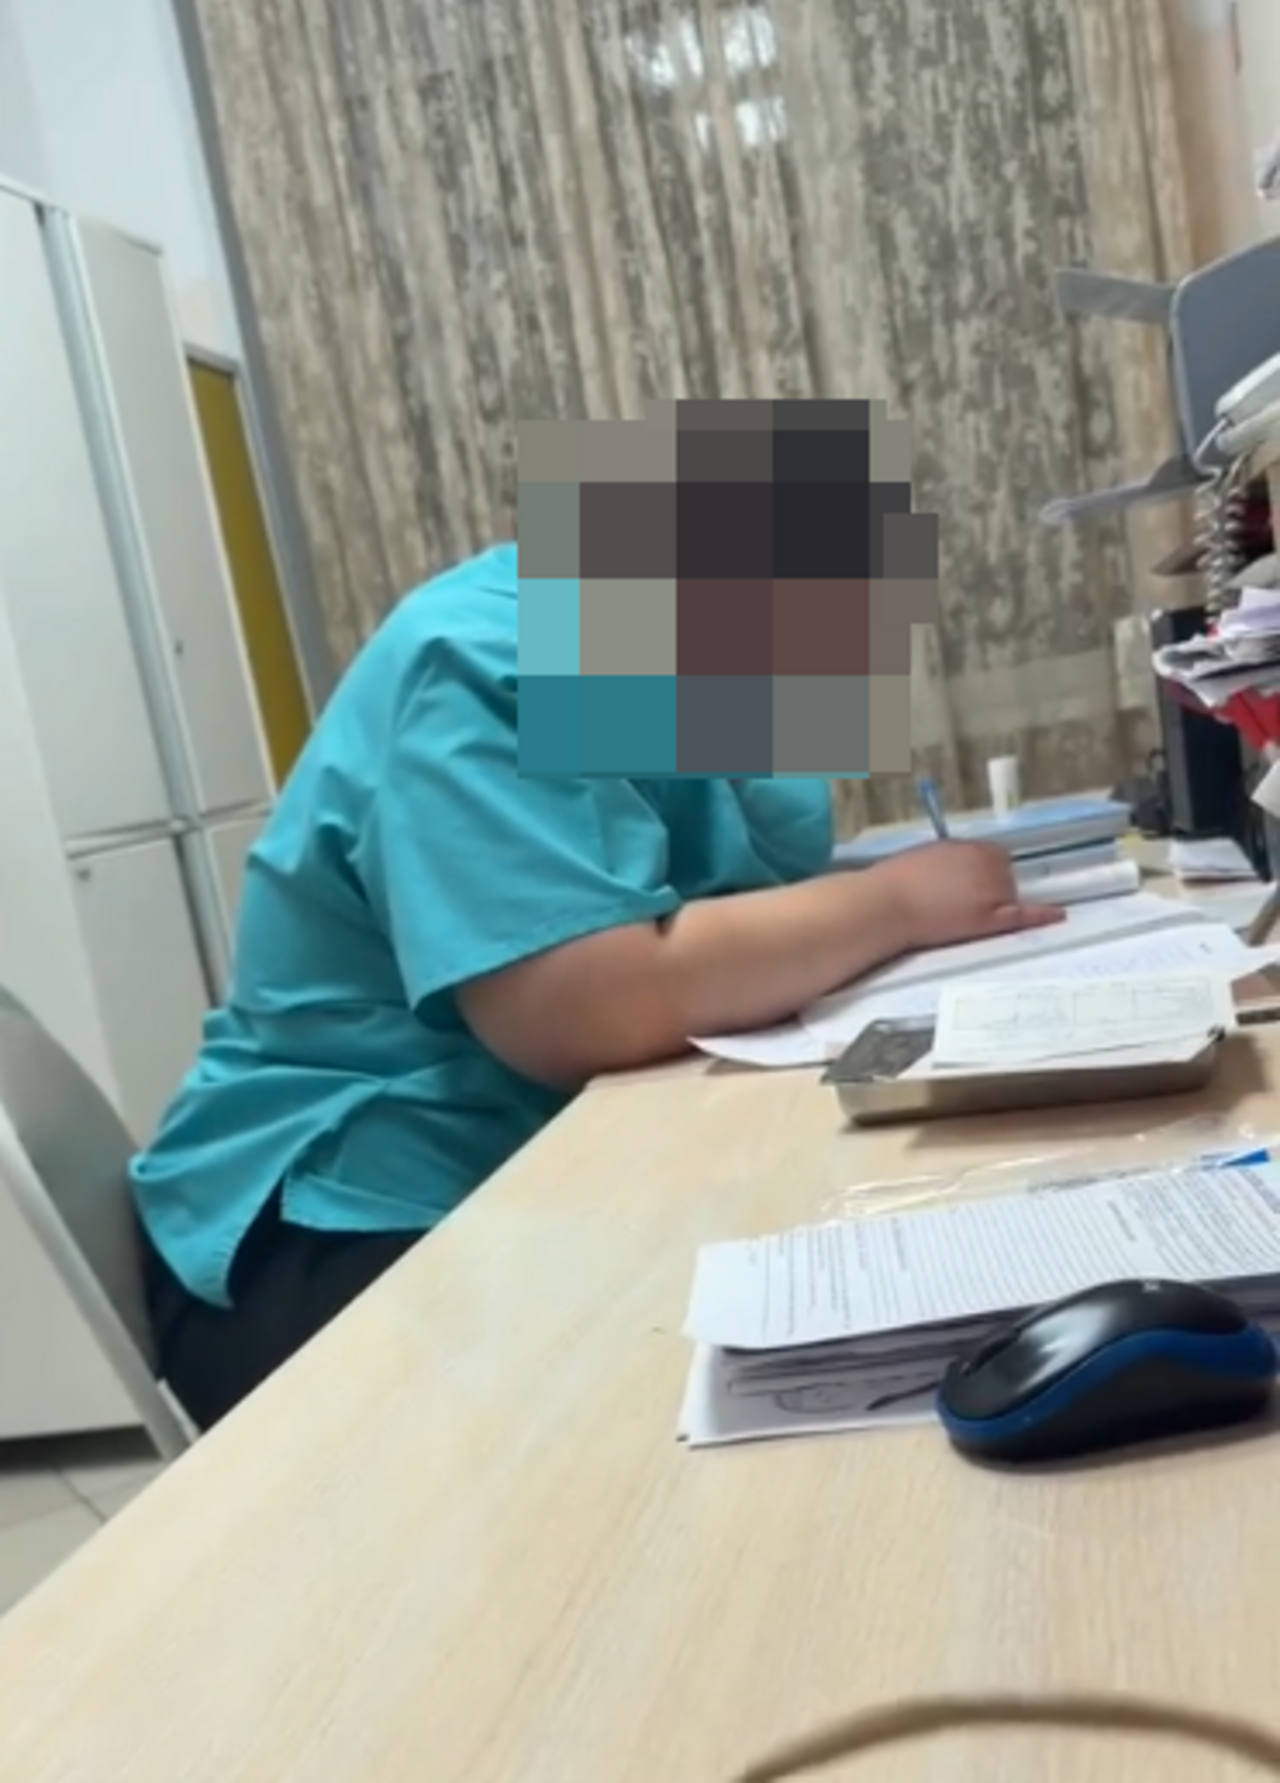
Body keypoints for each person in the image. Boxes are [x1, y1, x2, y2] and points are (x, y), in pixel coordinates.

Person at [131, 542, 1061, 1429]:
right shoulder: (488, 659)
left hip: (526, 1165)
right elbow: (585, 1003)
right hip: (335, 1217)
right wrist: (892, 904)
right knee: (717, 1402)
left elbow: (744, 900)